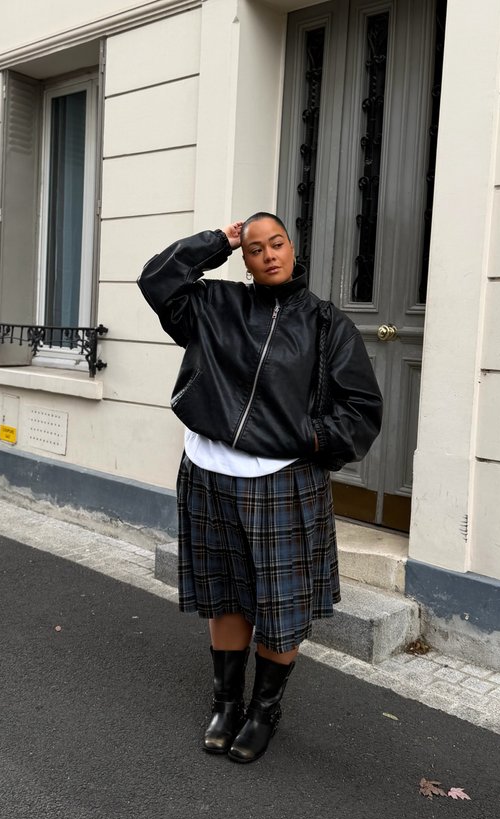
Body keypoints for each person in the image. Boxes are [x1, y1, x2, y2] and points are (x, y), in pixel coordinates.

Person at [137, 213, 382, 763]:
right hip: (208, 472)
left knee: (279, 600)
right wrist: (216, 242)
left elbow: (361, 411)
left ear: (293, 249)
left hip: (281, 482)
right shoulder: (214, 306)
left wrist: (302, 438)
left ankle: (264, 710)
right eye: (254, 248)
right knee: (224, 591)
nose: (269, 255)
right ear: (243, 259)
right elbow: (158, 279)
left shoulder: (325, 326)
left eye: (277, 244)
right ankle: (226, 702)